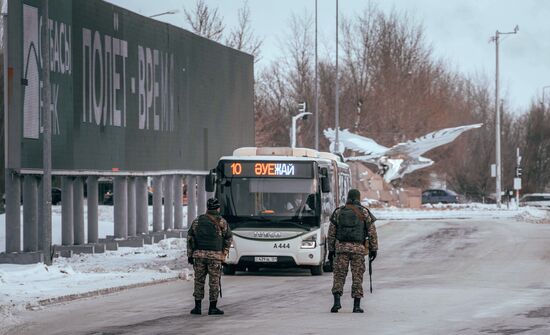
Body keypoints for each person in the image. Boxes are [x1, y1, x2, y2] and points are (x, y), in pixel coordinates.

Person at [327, 189, 378, 313]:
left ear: (348, 198)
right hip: (358, 250)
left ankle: (337, 303)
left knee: (339, 275)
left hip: (341, 249)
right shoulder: (364, 212)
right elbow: (372, 233)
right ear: (358, 198)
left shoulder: (339, 212)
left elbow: (331, 233)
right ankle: (356, 306)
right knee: (357, 277)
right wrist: (373, 249)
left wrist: (331, 250)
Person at [187, 198, 233, 315]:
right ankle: (212, 308)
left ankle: (197, 308)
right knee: (214, 282)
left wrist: (190, 255)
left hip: (199, 256)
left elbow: (190, 238)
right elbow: (228, 238)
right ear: (218, 208)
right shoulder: (222, 222)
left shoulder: (197, 221)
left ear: (207, 208)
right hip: (215, 257)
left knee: (199, 281)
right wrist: (223, 254)